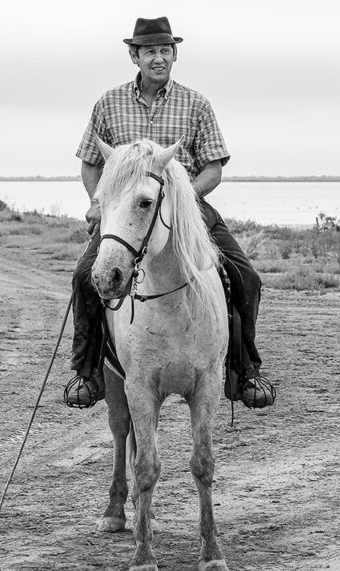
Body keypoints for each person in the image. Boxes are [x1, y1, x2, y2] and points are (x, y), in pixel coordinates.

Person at [65, 16, 275, 409]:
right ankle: (87, 371)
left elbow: (214, 166)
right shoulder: (108, 104)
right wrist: (98, 203)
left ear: (174, 54)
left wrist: (186, 198)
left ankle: (244, 371)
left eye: (165, 51)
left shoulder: (196, 104)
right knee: (84, 277)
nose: (158, 58)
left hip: (189, 210)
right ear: (135, 56)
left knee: (246, 277)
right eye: (149, 52)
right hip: (127, 215)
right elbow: (92, 164)